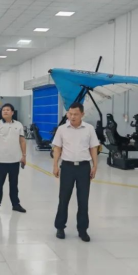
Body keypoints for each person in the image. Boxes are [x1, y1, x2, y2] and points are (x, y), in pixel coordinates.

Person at [52, 102, 99, 242]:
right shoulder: (62, 129)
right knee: (63, 198)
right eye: (70, 114)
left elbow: (93, 148)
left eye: (76, 114)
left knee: (83, 200)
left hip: (84, 168)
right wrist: (55, 165)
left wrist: (95, 166)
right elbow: (57, 148)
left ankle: (83, 229)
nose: (72, 117)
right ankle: (60, 227)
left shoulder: (89, 129)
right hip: (67, 167)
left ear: (82, 114)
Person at [0, 103, 27, 214]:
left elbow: (22, 141)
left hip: (15, 160)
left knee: (14, 185)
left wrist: (24, 156)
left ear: (12, 112)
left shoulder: (18, 125)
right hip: (0, 160)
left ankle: (15, 204)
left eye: (7, 110)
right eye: (3, 110)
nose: (5, 111)